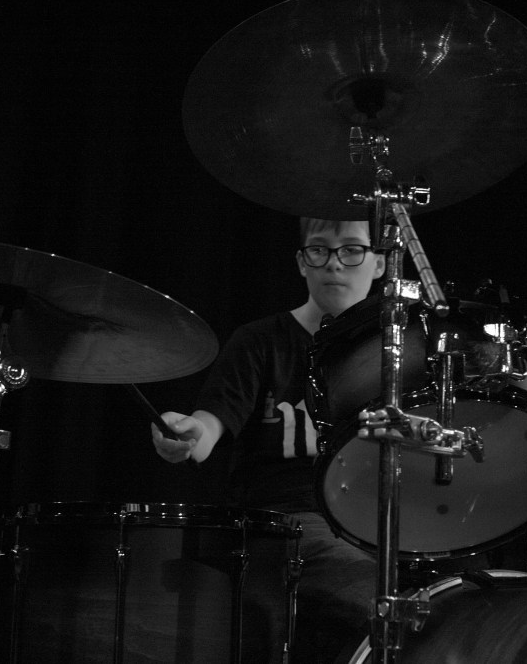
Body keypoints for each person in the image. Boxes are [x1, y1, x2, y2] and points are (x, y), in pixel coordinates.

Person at [152, 216, 385, 663]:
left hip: (382, 519)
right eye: (319, 249)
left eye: (352, 249)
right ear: (301, 262)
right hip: (291, 519)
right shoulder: (261, 341)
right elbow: (211, 424)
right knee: (373, 593)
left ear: (379, 264)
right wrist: (187, 433)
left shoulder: (399, 353)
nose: (335, 263)